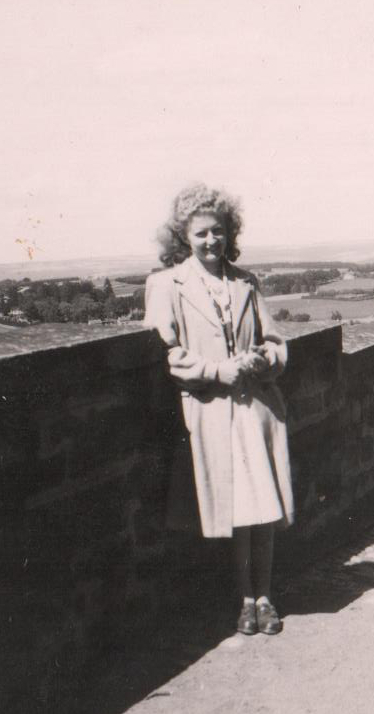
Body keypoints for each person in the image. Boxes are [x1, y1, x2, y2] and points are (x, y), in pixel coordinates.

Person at [144, 183, 294, 636]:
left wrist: (264, 359)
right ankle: (245, 599)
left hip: (255, 411)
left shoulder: (246, 282)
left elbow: (275, 341)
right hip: (212, 412)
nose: (212, 241)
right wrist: (215, 371)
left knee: (263, 508)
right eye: (201, 233)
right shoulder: (165, 285)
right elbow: (167, 353)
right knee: (236, 510)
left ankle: (266, 596)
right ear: (183, 237)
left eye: (219, 231)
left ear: (230, 232)